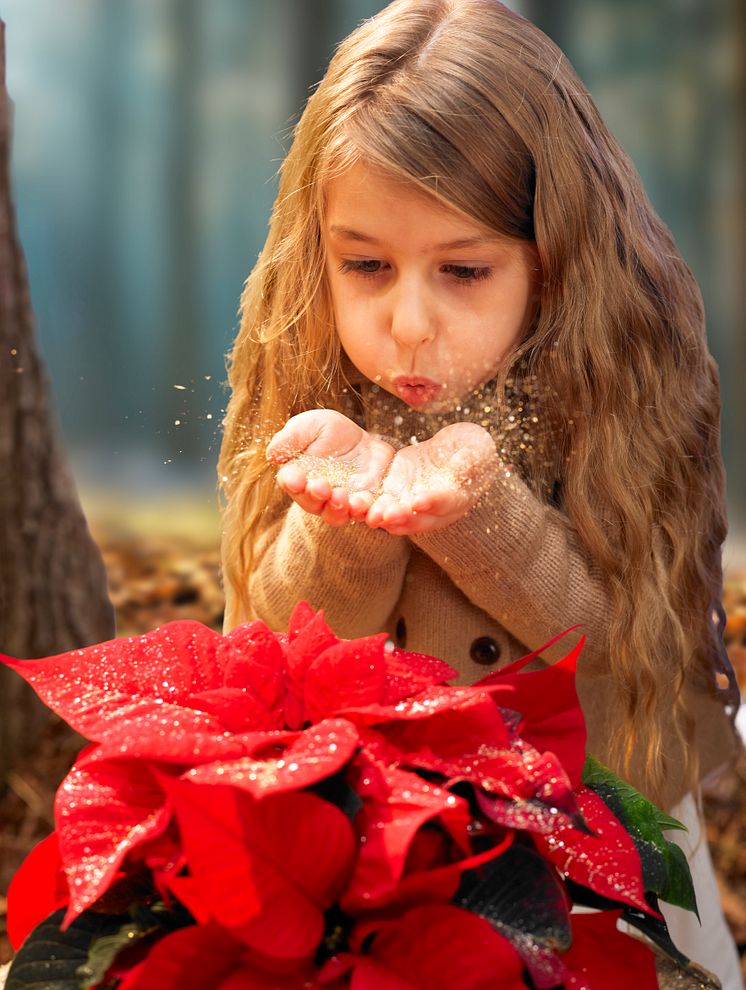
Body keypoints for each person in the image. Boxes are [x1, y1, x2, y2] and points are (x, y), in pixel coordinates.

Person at [217, 1, 743, 985]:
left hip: (593, 828)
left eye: (463, 270)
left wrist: (475, 513)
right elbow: (269, 649)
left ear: (552, 262)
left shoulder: (613, 394)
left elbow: (626, 649)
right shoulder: (314, 386)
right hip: (387, 858)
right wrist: (342, 527)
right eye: (363, 264)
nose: (406, 322)